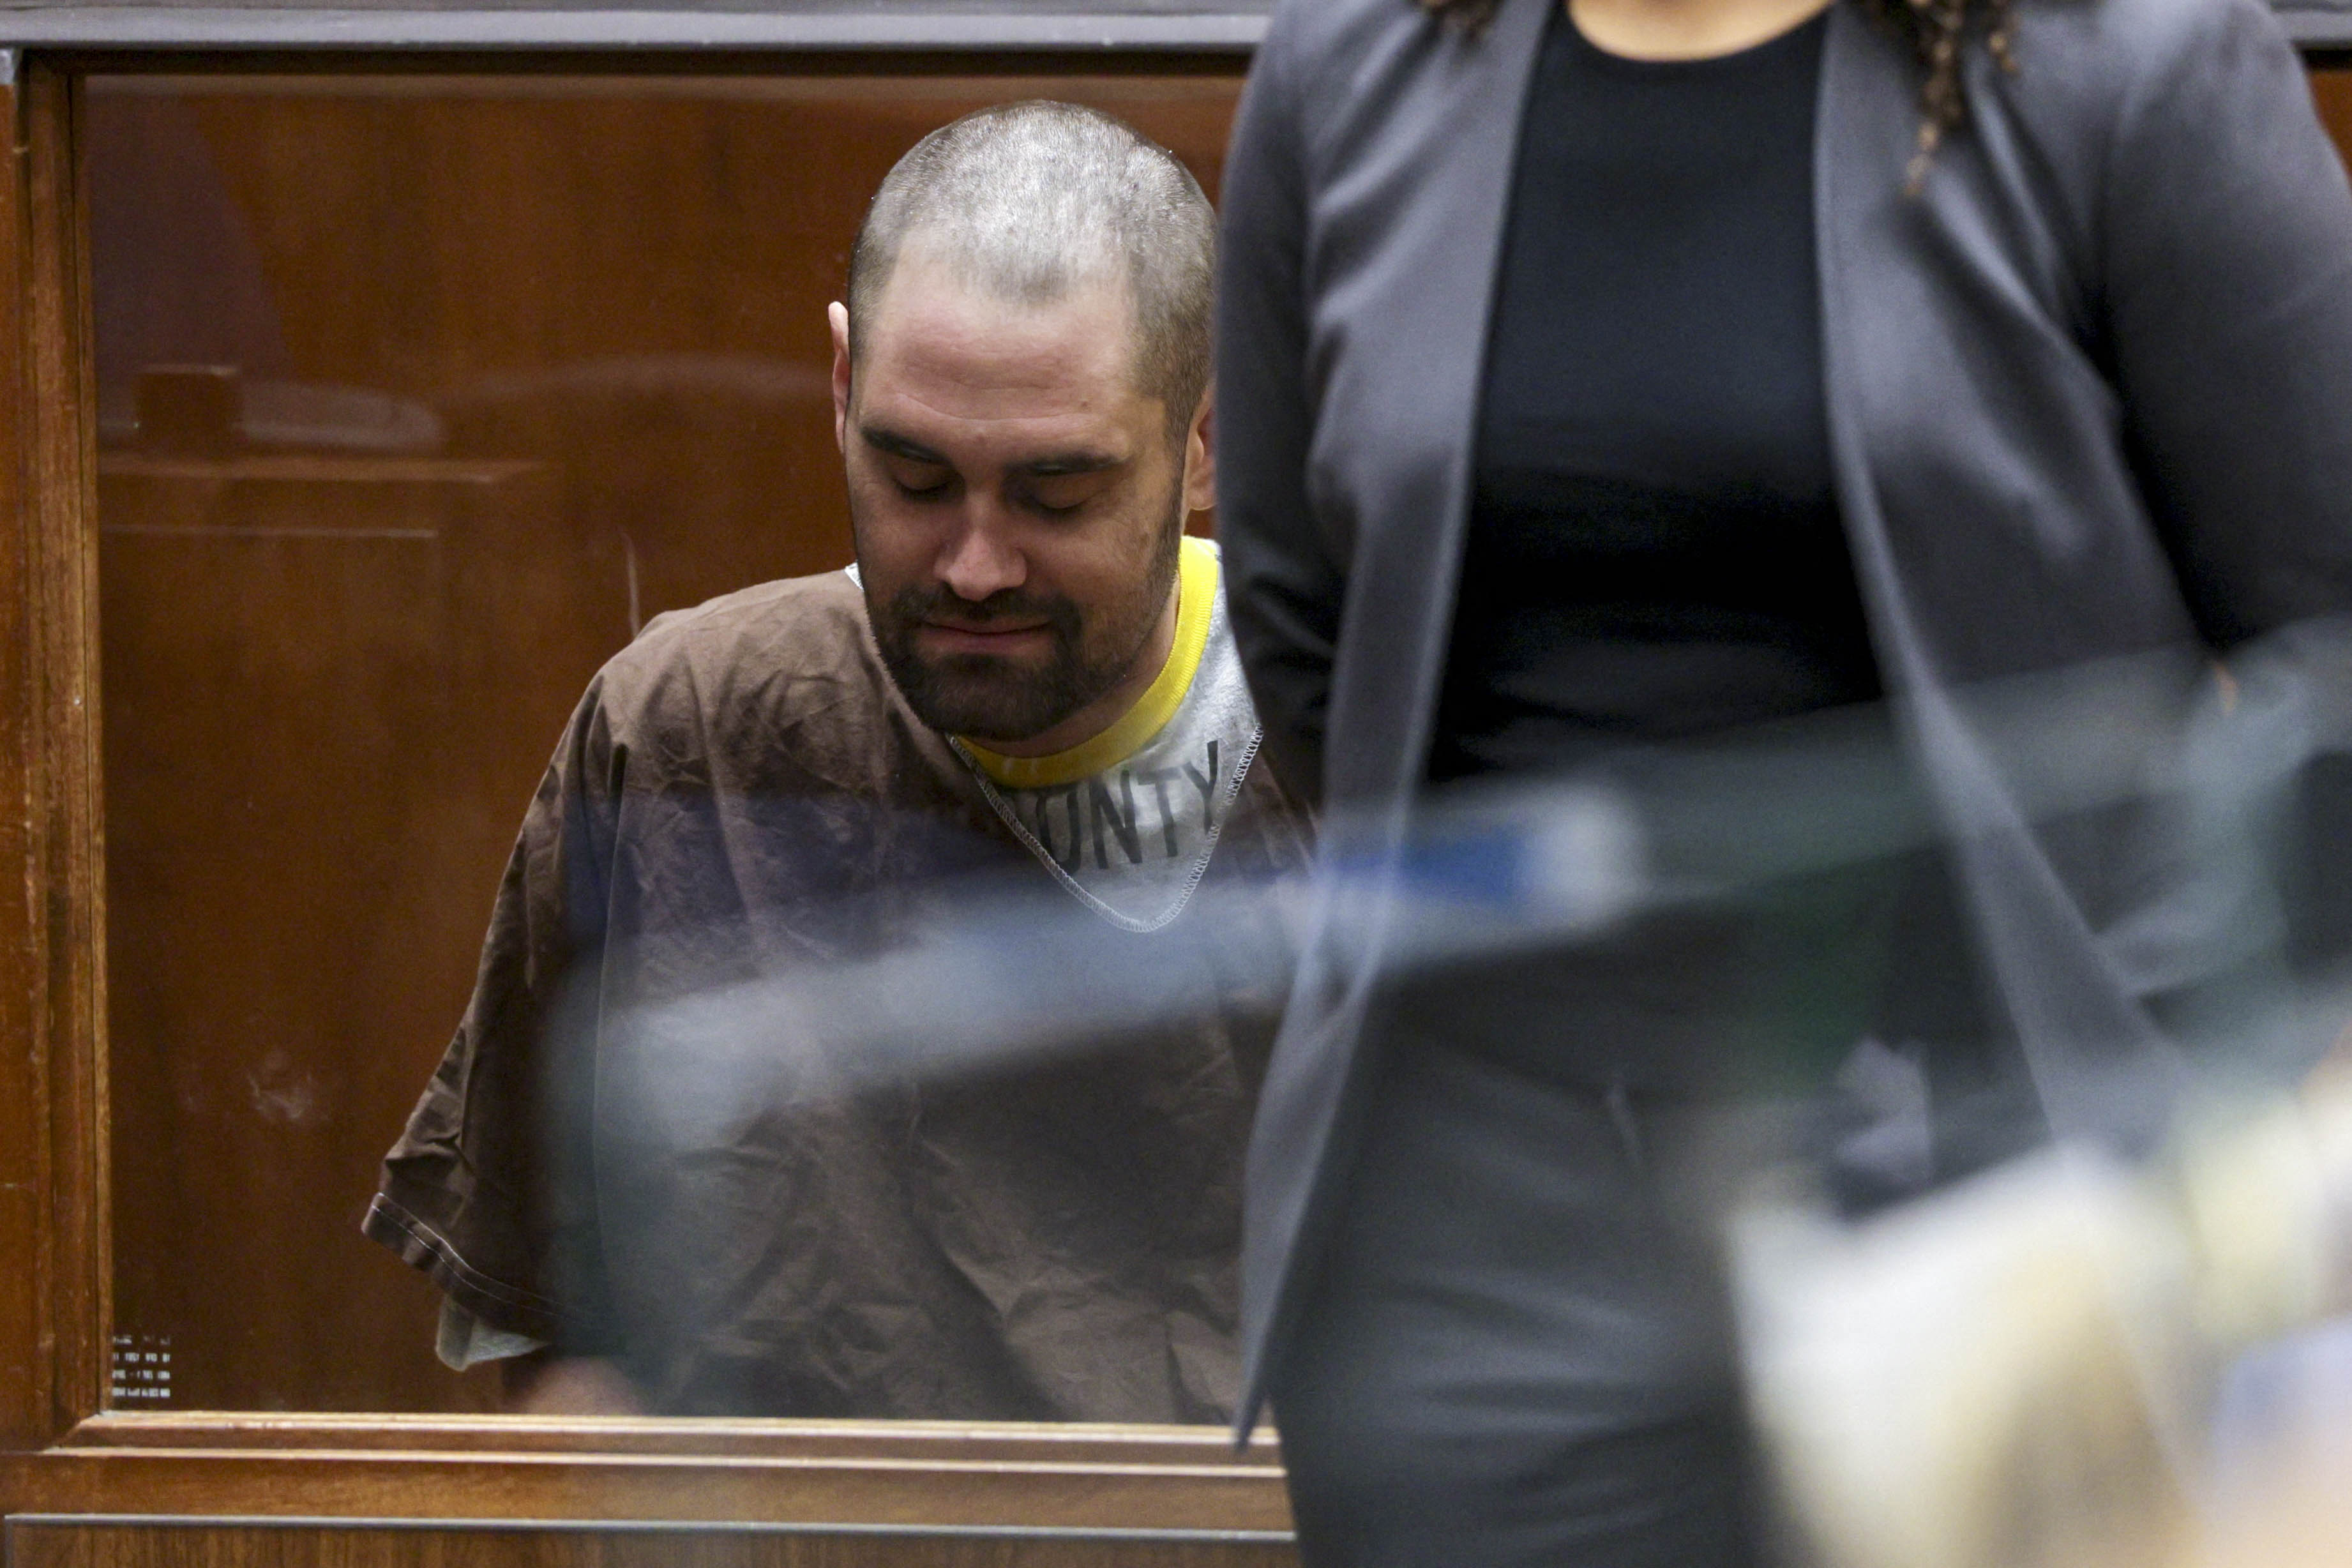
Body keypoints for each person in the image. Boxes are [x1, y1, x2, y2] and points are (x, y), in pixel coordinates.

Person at [1213, 0, 2352, 1558]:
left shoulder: (2124, 61)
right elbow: (1307, 641)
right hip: (1474, 1227)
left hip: (1998, 1201)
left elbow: (2334, 650)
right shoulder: (1354, 63)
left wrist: (2220, 1095)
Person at [363, 100, 1309, 1421]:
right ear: (839, 388)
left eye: (1057, 493)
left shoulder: (1358, 736)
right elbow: (567, 1344)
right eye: (914, 479)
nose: (976, 566)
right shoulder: (691, 733)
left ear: (1205, 441)